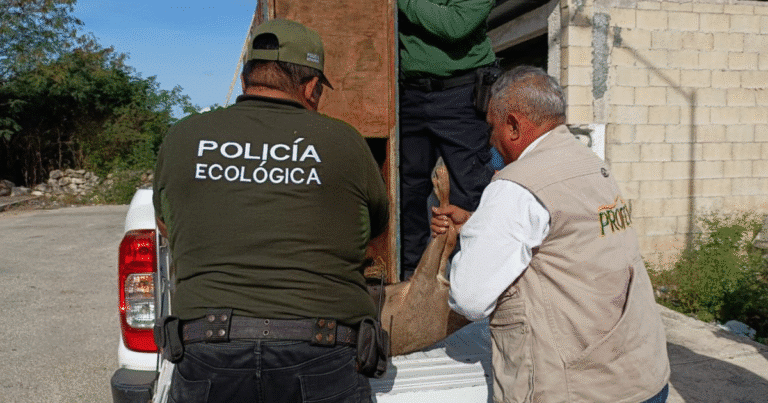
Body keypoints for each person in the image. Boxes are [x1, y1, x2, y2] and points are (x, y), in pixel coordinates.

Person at [152, 19, 389, 403]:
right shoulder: (344, 141)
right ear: (311, 87)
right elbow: (375, 235)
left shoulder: (183, 136)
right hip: (321, 350)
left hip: (207, 351)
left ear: (247, 79)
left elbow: (166, 224)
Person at [432, 66, 670, 403]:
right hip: (641, 375)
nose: (491, 140)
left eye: (492, 127)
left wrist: (475, 241)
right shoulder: (590, 163)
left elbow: (470, 298)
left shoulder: (516, 186)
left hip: (578, 390)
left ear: (513, 125)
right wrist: (477, 223)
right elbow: (564, 239)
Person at [398, 0, 498, 280]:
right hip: (408, 93)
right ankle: (410, 279)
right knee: (407, 192)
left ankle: (472, 278)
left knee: (469, 191)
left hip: (461, 92)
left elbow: (456, 25)